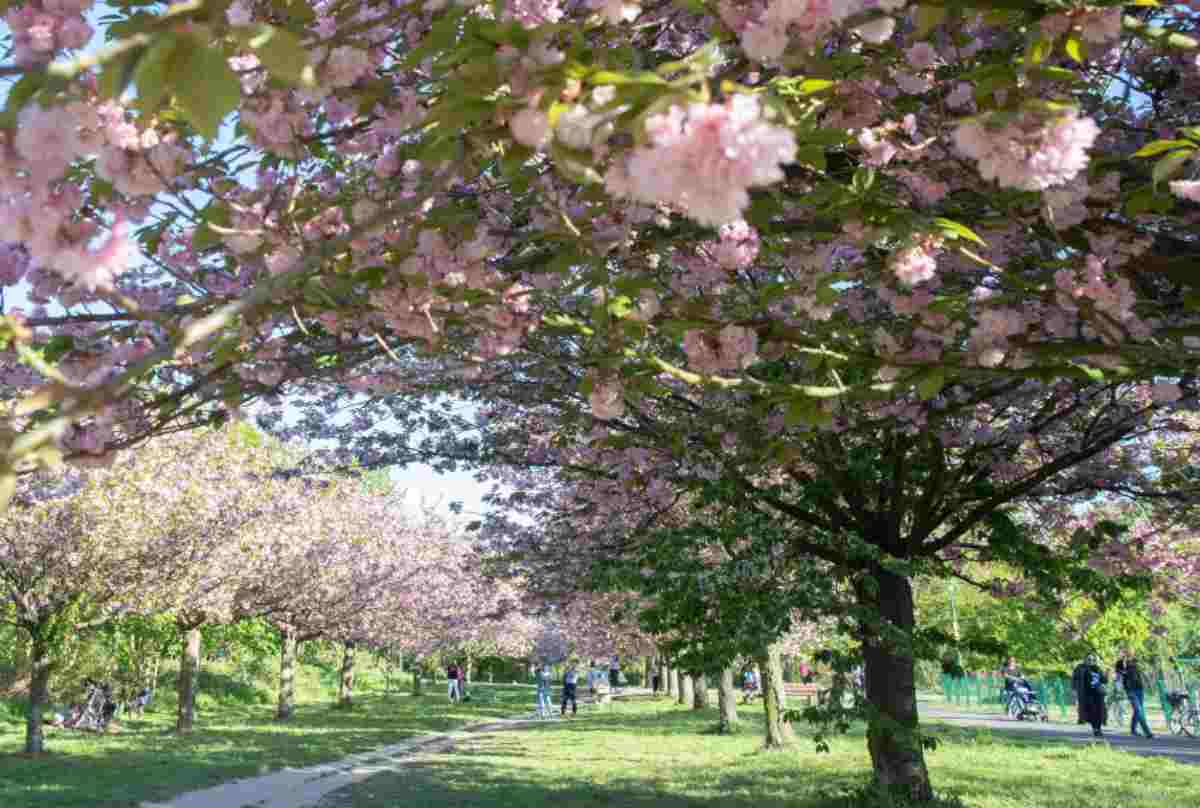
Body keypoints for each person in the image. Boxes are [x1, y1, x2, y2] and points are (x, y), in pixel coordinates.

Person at [1116, 649, 1154, 739]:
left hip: (1139, 688)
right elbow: (1119, 676)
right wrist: (1119, 689)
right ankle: (1147, 732)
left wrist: (1149, 683)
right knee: (1139, 710)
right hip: (1130, 689)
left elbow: (1142, 672)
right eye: (1126, 653)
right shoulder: (1120, 663)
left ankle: (1133, 729)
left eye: (1130, 653)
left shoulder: (1136, 662)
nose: (1129, 654)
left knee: (1138, 710)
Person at [1072, 653, 1108, 738]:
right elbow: (1074, 679)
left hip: (1098, 693)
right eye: (1089, 659)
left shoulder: (1098, 668)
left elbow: (1104, 681)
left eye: (1093, 660)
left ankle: (1098, 728)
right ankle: (1095, 729)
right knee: (1091, 712)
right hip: (1086, 693)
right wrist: (1074, 690)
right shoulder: (1080, 668)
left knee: (1099, 711)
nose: (1091, 661)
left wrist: (1107, 673)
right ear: (1085, 659)